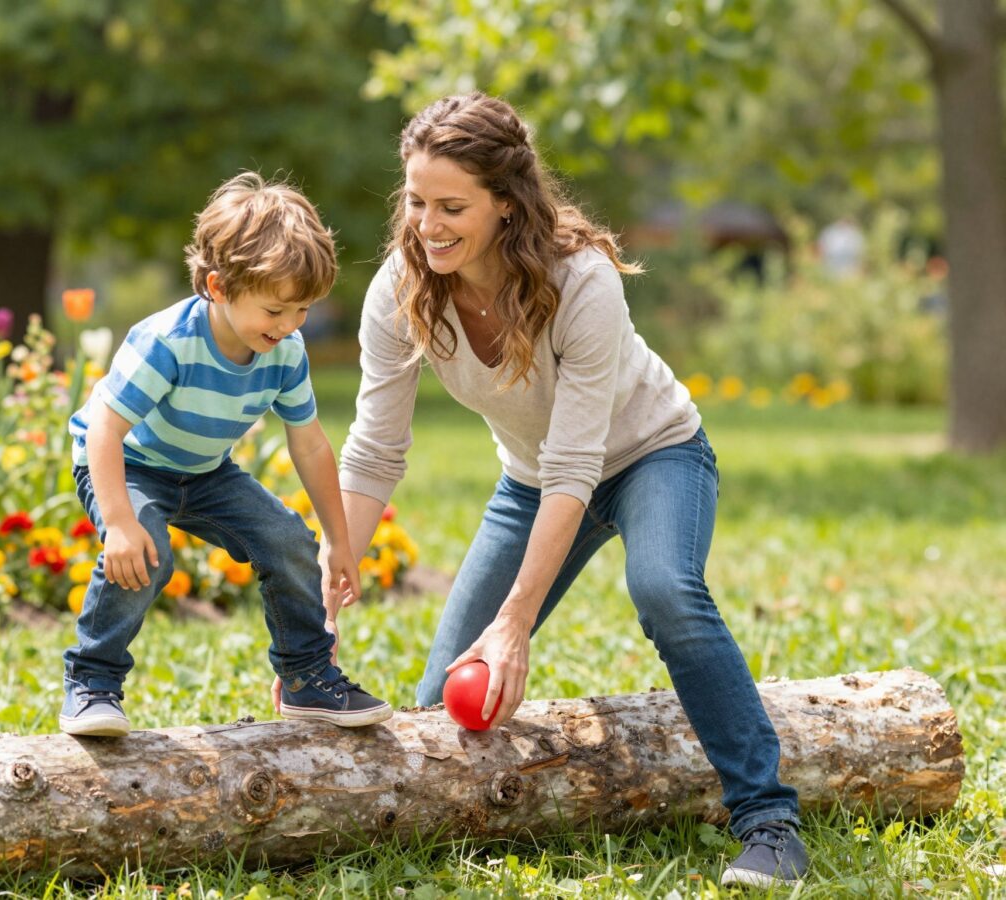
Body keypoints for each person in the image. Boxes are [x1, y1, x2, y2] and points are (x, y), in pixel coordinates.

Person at [333, 93, 808, 886]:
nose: (428, 224)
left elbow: (577, 469)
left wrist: (514, 623)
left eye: (453, 207)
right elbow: (377, 448)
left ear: (507, 204)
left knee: (665, 588)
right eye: (416, 202)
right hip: (532, 481)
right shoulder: (403, 290)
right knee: (443, 696)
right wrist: (334, 574)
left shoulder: (581, 282)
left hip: (654, 454)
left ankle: (769, 820)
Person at [62, 172, 392, 738]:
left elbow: (309, 444)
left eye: (302, 312)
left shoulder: (285, 352)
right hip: (130, 466)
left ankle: (308, 677)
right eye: (274, 311)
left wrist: (338, 539)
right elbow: (103, 433)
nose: (288, 326)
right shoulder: (169, 342)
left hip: (206, 473)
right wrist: (118, 523)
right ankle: (92, 682)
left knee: (288, 540)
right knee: (147, 553)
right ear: (218, 286)